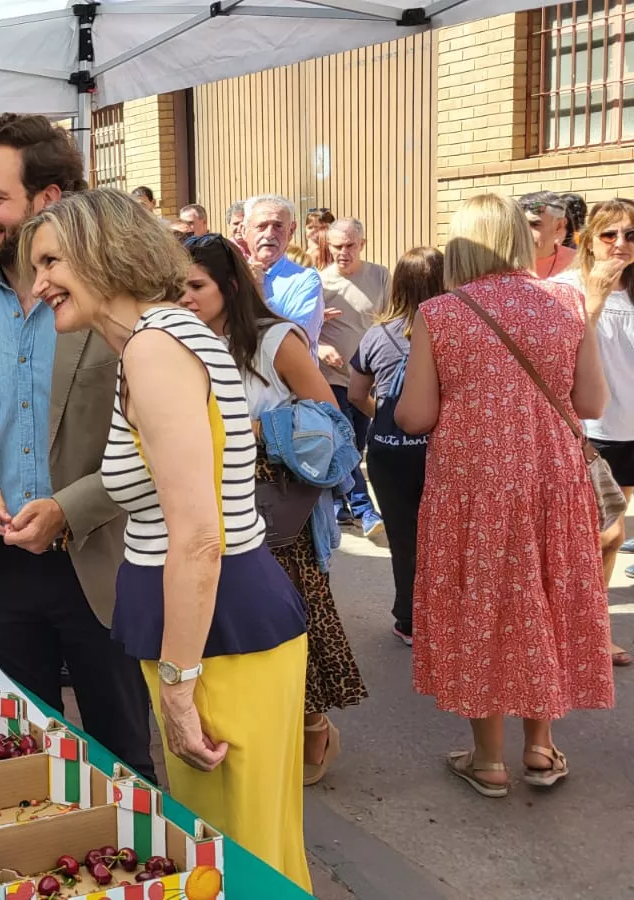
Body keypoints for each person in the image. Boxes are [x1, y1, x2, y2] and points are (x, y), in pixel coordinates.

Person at [23, 191, 309, 888]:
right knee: (245, 852)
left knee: (242, 860)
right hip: (212, 629)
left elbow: (199, 538)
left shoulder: (155, 347)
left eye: (51, 262)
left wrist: (180, 691)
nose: (37, 286)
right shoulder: (164, 340)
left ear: (104, 254)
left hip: (217, 638)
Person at [0, 113, 156, 783]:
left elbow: (153, 444)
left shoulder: (115, 299)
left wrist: (70, 508)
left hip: (101, 566)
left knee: (126, 760)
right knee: (24, 760)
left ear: (48, 199)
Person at [397, 193, 613, 798]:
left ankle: (488, 760)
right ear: (522, 238)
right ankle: (541, 749)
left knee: (481, 603)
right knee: (543, 598)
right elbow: (592, 404)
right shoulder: (564, 304)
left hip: (472, 487)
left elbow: (414, 416)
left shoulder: (441, 314)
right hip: (551, 484)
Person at [177, 233, 366, 788]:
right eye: (176, 287)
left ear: (229, 287)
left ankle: (312, 725)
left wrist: (251, 430)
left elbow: (331, 422)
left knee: (290, 622)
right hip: (207, 510)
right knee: (231, 629)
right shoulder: (179, 341)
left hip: (277, 513)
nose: (184, 297)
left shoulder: (274, 340)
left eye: (196, 286)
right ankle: (257, 730)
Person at [552, 197, 634, 668]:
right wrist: (595, 302)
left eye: (630, 235)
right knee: (605, 533)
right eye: (610, 234)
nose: (620, 244)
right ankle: (587, 631)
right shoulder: (566, 288)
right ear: (587, 238)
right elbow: (560, 352)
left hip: (628, 428)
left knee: (608, 534)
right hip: (587, 426)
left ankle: (584, 624)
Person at [348, 247, 443, 646]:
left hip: (388, 449)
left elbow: (356, 393)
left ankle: (409, 619)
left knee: (403, 538)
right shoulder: (448, 330)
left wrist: (385, 418)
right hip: (438, 447)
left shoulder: (376, 334)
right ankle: (448, 614)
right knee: (444, 535)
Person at [318, 218, 388, 535]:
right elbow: (303, 331)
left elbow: (391, 320)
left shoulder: (380, 276)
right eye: (337, 246)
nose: (343, 252)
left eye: (349, 246)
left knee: (356, 445)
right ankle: (365, 510)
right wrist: (320, 346)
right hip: (332, 376)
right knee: (345, 442)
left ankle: (337, 503)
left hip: (368, 378)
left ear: (362, 243)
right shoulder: (319, 283)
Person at [246, 194, 325, 351]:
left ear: (291, 230)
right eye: (261, 226)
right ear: (244, 230)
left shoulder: (305, 280)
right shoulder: (229, 276)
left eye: (278, 226)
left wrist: (257, 287)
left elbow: (291, 340)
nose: (269, 234)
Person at [519, 191, 577, 279]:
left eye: (535, 225)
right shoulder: (502, 263)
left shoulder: (577, 263)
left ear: (559, 225)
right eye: (521, 225)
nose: (525, 232)